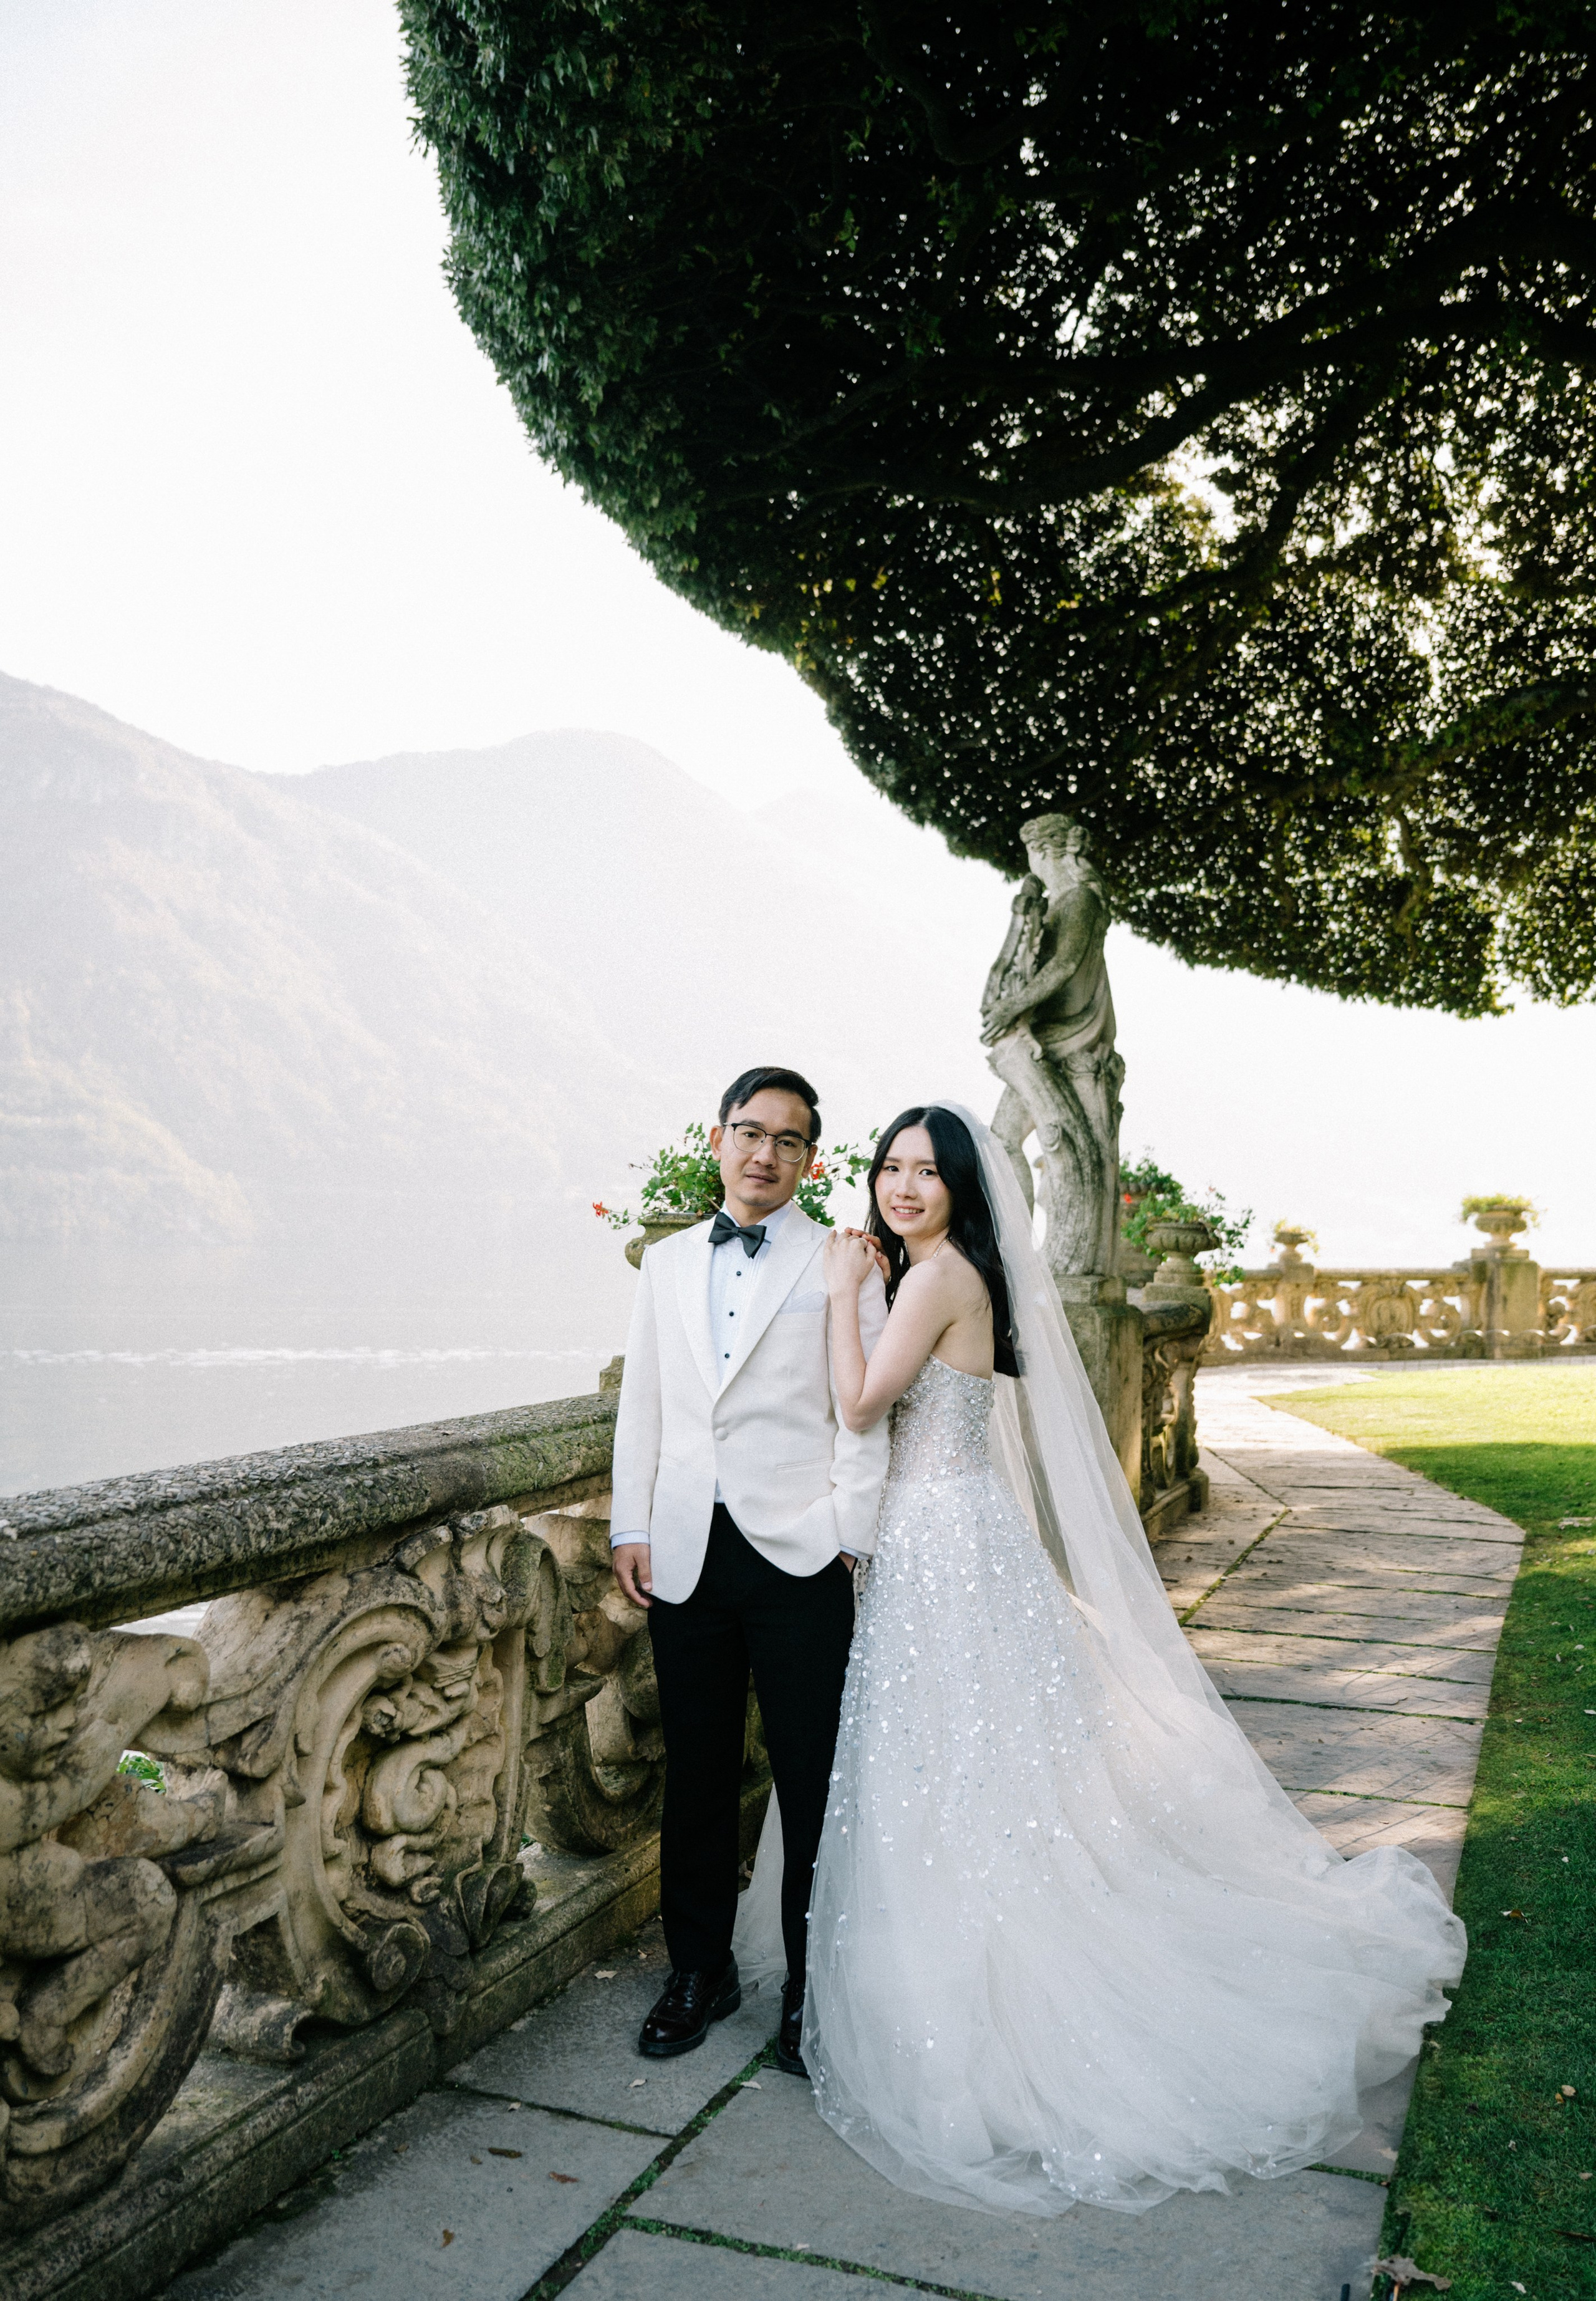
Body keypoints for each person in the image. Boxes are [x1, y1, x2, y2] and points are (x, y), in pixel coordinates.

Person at [739, 1102, 1466, 2216]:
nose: (902, 1185)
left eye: (928, 1170)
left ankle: (984, 2000)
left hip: (939, 1548)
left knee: (946, 1762)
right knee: (970, 1764)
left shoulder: (935, 1279)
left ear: (966, 1185)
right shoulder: (946, 1270)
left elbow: (859, 1401)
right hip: (953, 1536)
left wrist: (842, 1292)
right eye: (891, 1166)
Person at [610, 1066, 890, 2077]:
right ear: (719, 1138)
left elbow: (865, 1411)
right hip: (683, 1550)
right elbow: (643, 1401)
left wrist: (848, 1529)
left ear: (812, 1158)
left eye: (787, 1139)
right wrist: (626, 1523)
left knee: (814, 1780)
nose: (764, 1153)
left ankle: (813, 1993)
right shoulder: (666, 1260)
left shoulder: (844, 1259)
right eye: (748, 1131)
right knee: (696, 1772)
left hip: (802, 1552)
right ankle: (699, 1970)